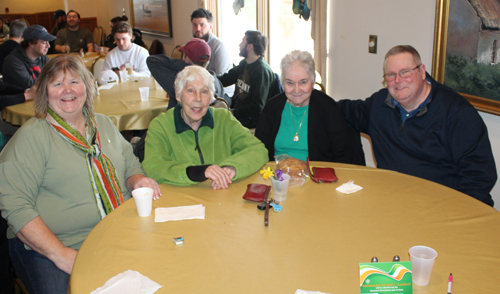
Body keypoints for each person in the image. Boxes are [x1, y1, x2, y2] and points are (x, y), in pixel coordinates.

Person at [0, 54, 162, 294]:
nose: (68, 90)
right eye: (57, 84)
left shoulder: (104, 124)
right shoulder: (33, 137)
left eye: (75, 81)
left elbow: (131, 164)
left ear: (88, 86)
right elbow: (15, 205)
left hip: (117, 232)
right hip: (52, 247)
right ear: (45, 92)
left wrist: (137, 179)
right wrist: (60, 254)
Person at [337, 45, 497, 206]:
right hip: (395, 202)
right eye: (391, 75)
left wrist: (452, 213)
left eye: (405, 72)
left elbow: (479, 177)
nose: (398, 80)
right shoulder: (379, 106)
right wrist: (311, 94)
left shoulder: (457, 113)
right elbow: (341, 110)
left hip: (446, 207)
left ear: (422, 71)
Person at [143, 65, 268, 188]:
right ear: (178, 95)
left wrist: (233, 166)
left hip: (220, 197)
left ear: (212, 96)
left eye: (204, 92)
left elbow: (258, 150)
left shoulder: (223, 119)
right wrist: (198, 172)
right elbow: (154, 167)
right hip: (181, 202)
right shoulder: (161, 126)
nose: (198, 99)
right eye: (191, 91)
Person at [255, 50, 365, 165]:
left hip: (316, 177)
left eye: (303, 82)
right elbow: (258, 149)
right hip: (278, 177)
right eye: (290, 83)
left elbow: (342, 155)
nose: (296, 90)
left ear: (313, 82)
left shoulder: (327, 107)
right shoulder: (272, 107)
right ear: (282, 83)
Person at [218, 30, 277, 129]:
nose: (240, 45)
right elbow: (225, 79)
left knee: (218, 127)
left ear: (250, 46)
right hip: (240, 114)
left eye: (243, 41)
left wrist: (233, 112)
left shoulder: (261, 71)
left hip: (252, 120)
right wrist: (208, 79)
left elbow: (257, 107)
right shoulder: (244, 64)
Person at [147, 38, 224, 109]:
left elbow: (152, 60)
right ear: (208, 61)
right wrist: (197, 68)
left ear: (187, 58)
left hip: (177, 122)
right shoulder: (216, 81)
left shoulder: (181, 82)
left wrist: (187, 67)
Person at [2, 25, 55, 89]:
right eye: (44, 42)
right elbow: (32, 86)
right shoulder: (13, 61)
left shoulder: (43, 58)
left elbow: (56, 76)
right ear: (31, 43)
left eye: (48, 42)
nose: (48, 46)